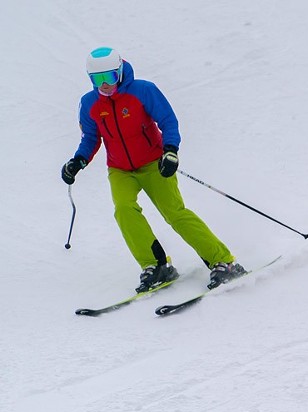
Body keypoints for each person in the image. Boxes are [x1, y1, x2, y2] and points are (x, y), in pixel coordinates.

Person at [61, 47, 245, 292]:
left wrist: (170, 151)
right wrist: (78, 161)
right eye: (97, 79)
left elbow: (168, 121)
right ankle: (157, 266)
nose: (104, 85)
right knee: (124, 210)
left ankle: (223, 261)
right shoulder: (89, 103)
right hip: (120, 169)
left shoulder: (143, 91)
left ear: (120, 72)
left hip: (152, 163)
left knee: (174, 213)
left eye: (109, 77)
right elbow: (91, 138)